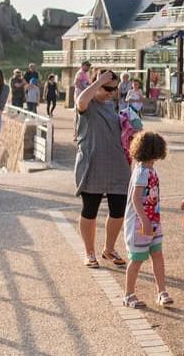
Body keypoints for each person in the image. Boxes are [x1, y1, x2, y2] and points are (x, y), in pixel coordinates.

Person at [75, 70, 131, 269]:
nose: (110, 92)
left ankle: (109, 248)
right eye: (107, 88)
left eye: (114, 89)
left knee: (118, 209)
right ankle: (89, 252)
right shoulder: (88, 103)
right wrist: (98, 82)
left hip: (116, 164)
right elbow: (81, 102)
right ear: (96, 83)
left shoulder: (111, 105)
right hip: (92, 163)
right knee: (90, 210)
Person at [119, 131, 173, 308]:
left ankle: (162, 291)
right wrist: (144, 220)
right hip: (140, 223)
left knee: (157, 254)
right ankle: (128, 294)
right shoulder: (142, 172)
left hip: (152, 221)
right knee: (137, 258)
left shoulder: (148, 169)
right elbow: (136, 198)